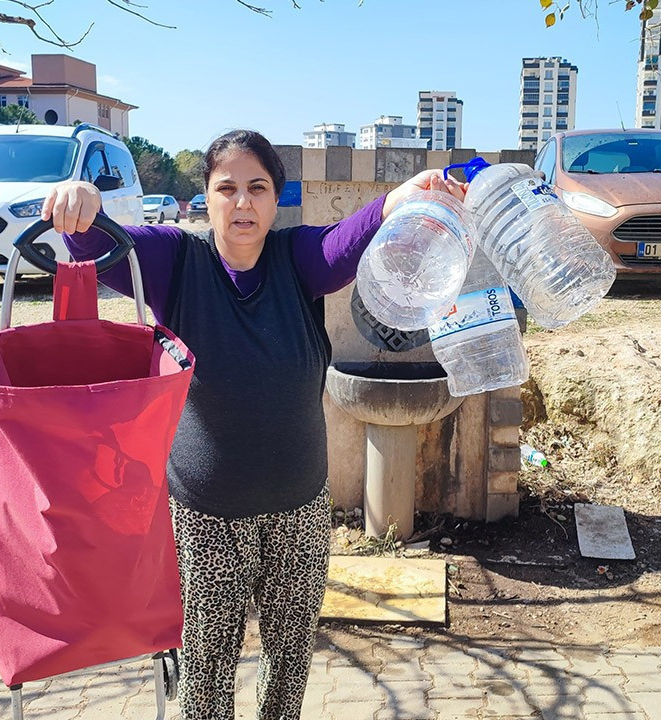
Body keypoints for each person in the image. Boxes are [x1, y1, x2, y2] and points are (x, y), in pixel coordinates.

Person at [43, 129, 465, 720]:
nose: (243, 203)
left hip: (300, 506)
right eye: (228, 189)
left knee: (289, 661)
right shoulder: (177, 262)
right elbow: (98, 247)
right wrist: (79, 199)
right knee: (207, 668)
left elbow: (347, 242)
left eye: (257, 188)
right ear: (206, 199)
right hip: (206, 512)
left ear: (276, 199)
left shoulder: (297, 260)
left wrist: (401, 197)